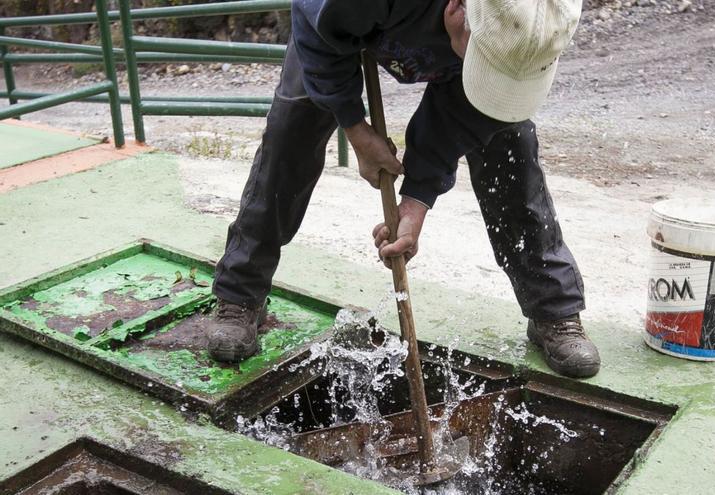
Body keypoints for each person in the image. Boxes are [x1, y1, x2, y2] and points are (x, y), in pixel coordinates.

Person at [207, 0, 601, 378]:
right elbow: (314, 25)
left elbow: (465, 113)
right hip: (332, 16)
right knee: (293, 127)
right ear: (457, 10)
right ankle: (240, 293)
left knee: (508, 138)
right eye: (484, 60)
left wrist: (415, 202)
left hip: (449, 24)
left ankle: (553, 307)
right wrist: (354, 127)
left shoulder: (540, 15)